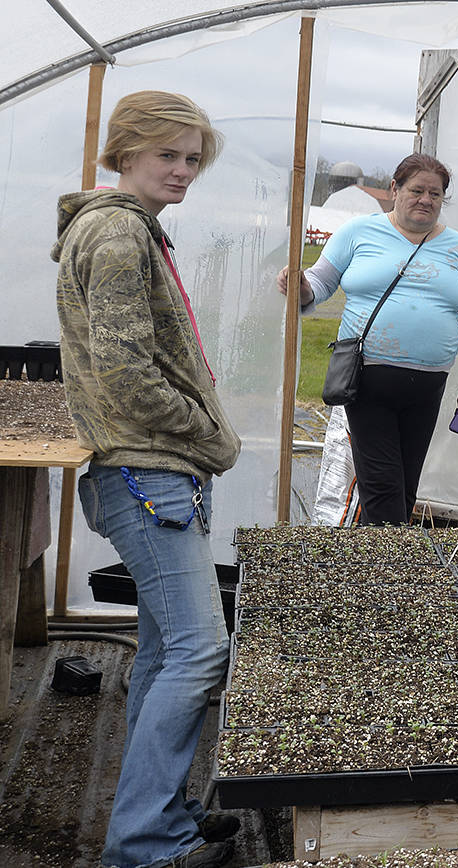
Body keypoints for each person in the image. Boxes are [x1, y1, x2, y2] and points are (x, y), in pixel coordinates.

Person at [54, 91, 240, 868]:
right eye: (169, 154)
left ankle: (159, 814)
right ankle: (143, 842)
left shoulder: (123, 228)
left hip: (151, 472)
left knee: (167, 651)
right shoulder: (119, 233)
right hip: (147, 473)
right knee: (203, 651)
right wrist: (211, 437)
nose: (184, 171)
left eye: (193, 158)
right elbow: (129, 377)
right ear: (125, 152)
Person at [279, 154, 458, 525]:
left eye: (435, 194)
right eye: (417, 190)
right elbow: (320, 282)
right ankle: (390, 569)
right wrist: (299, 287)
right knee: (382, 487)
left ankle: (371, 566)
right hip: (367, 380)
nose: (426, 200)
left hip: (428, 386)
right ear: (395, 189)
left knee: (405, 487)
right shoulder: (359, 233)